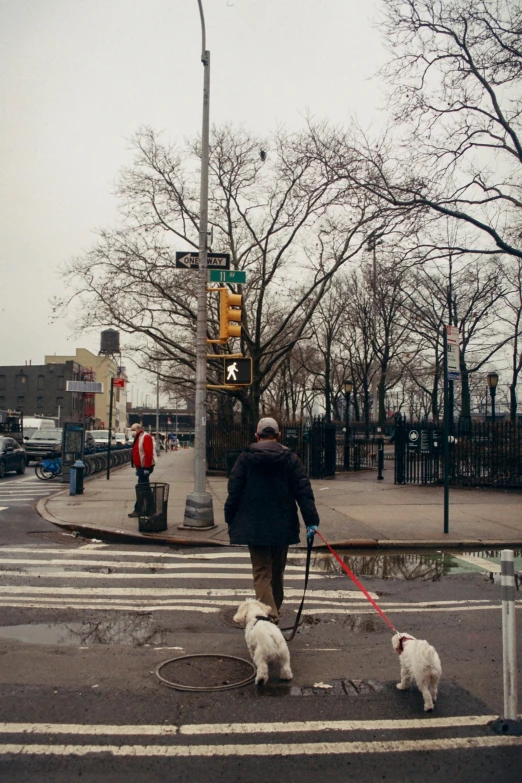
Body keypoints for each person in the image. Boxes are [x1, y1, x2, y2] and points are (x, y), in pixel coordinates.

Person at [224, 417, 320, 623]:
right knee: (277, 572)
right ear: (278, 436)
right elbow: (303, 491)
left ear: (257, 436)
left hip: (253, 525)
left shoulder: (244, 458)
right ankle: (272, 613)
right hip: (282, 525)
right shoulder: (291, 459)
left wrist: (229, 517)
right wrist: (311, 520)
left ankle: (270, 617)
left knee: (261, 573)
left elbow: (234, 492)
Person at [128, 423, 156, 518]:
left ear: (138, 429)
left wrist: (147, 468)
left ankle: (140, 509)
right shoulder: (138, 438)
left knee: (142, 488)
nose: (131, 432)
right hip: (141, 467)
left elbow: (148, 453)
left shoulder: (145, 437)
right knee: (144, 488)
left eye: (133, 430)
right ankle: (149, 508)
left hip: (145, 467)